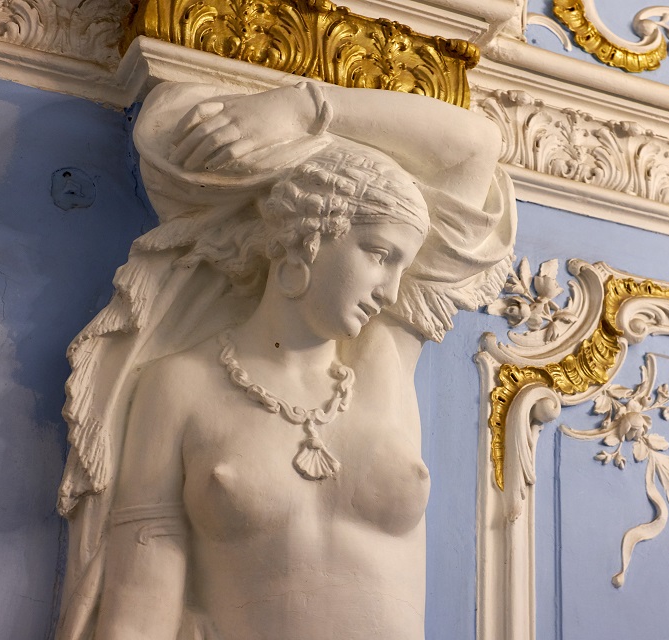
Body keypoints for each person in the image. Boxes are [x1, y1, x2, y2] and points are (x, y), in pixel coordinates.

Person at [56, 80, 515, 640]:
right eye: (379, 254)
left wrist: (306, 107)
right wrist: (295, 110)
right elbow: (140, 609)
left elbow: (476, 147)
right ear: (307, 237)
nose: (392, 290)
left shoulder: (386, 356)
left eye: (403, 266)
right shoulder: (178, 386)